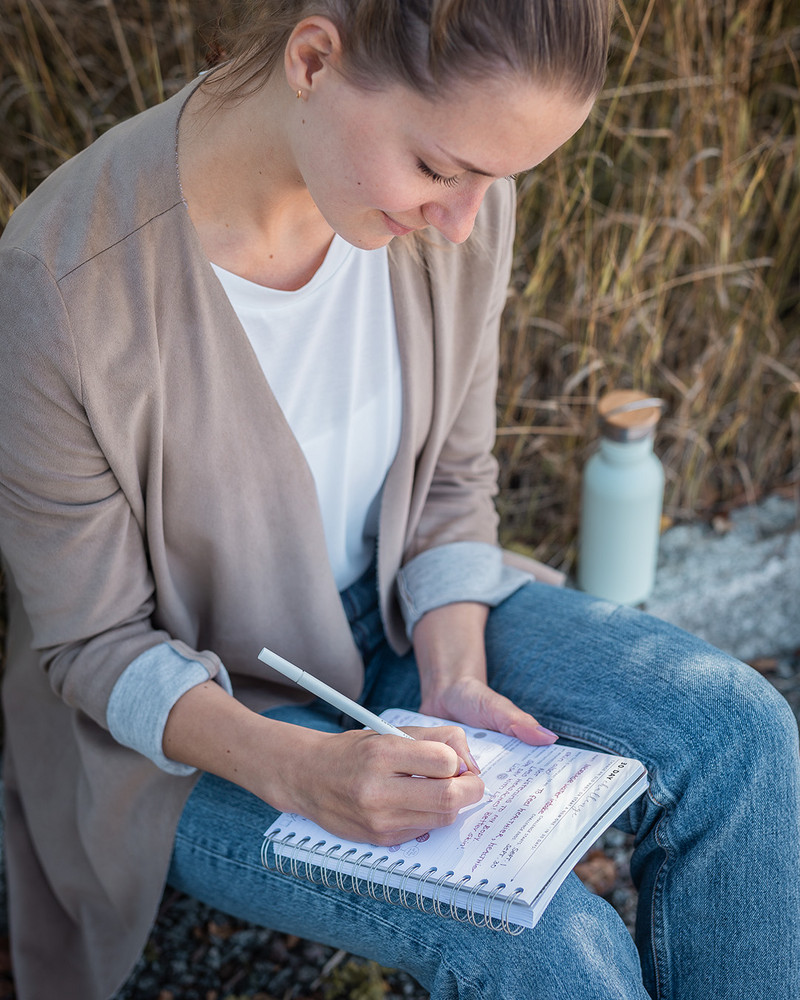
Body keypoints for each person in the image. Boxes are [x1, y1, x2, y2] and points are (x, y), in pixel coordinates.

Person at [0, 1, 798, 997]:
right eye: (436, 169)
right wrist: (298, 770)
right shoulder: (64, 285)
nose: (462, 221)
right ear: (312, 57)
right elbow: (91, 646)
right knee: (542, 940)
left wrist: (450, 671)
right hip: (195, 731)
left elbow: (452, 481)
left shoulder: (457, 208)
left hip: (395, 622)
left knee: (738, 733)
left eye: (493, 180)